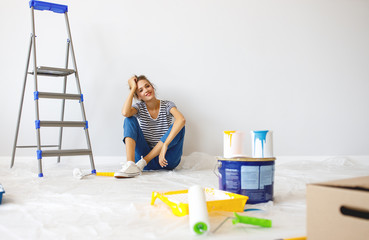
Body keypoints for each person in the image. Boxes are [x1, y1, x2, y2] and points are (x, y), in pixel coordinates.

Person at [114, 75, 186, 178]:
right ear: (138, 96)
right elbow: (125, 112)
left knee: (179, 125)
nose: (146, 90)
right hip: (142, 162)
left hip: (166, 159)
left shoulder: (167, 105)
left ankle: (143, 162)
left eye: (147, 86)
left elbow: (181, 119)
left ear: (152, 87)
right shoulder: (139, 107)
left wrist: (165, 145)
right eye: (140, 90)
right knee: (129, 119)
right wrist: (132, 88)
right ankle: (130, 165)